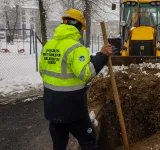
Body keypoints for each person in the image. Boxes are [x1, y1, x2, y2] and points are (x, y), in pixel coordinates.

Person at [39, 9, 112, 150]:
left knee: (59, 145)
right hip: (72, 109)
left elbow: (43, 71)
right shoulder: (76, 48)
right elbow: (85, 73)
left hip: (52, 108)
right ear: (79, 27)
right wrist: (102, 56)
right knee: (88, 142)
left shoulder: (48, 46)